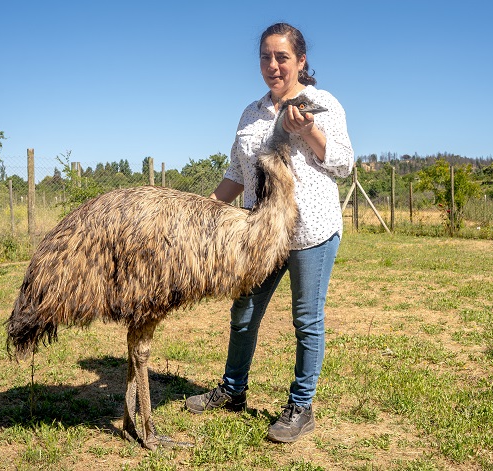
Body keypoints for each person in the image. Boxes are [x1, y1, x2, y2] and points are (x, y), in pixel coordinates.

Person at [185, 22, 354, 443]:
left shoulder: (321, 104)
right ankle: (233, 390)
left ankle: (301, 405)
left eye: (282, 57)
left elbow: (343, 163)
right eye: (266, 56)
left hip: (309, 231)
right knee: (243, 315)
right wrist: (204, 209)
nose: (273, 65)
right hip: (259, 234)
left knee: (306, 320)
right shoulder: (251, 112)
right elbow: (235, 172)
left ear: (300, 61)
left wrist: (308, 130)